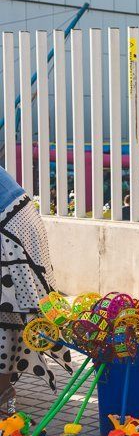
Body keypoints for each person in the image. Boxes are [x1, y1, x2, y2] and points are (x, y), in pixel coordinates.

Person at [0, 166, 73, 410]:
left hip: (9, 225)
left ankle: (3, 393)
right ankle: (4, 391)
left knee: (8, 313)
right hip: (16, 217)